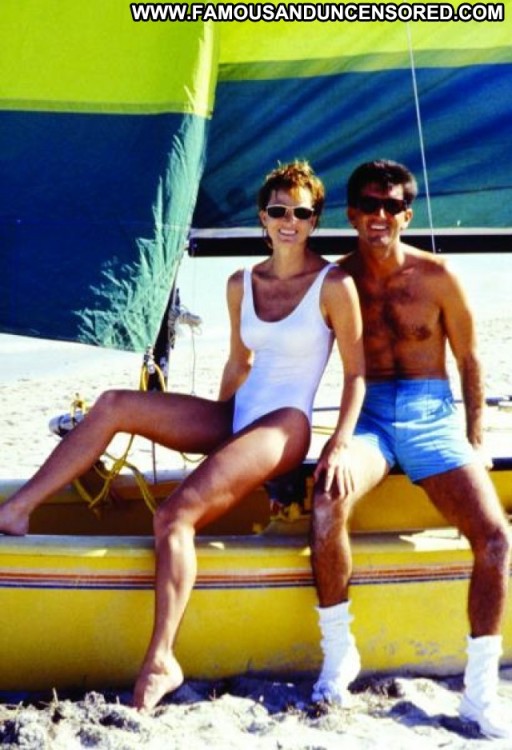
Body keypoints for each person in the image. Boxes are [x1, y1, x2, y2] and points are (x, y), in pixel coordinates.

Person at [0, 161, 365, 712]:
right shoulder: (241, 283)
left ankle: (161, 660)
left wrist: (337, 443)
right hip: (239, 414)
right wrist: (221, 436)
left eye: (301, 212)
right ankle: (17, 510)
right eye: (278, 210)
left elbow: (357, 374)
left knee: (174, 516)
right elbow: (239, 363)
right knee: (114, 404)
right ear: (262, 217)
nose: (288, 221)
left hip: (286, 424)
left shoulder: (334, 285)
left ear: (315, 220)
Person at [310, 159, 511, 739]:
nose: (381, 215)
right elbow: (291, 351)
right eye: (370, 205)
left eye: (393, 205)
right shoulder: (337, 281)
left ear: (408, 213)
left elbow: (470, 360)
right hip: (369, 418)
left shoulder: (438, 275)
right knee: (326, 501)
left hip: (432, 416)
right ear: (351, 213)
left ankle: (479, 693)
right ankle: (338, 656)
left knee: (495, 539)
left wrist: (475, 438)